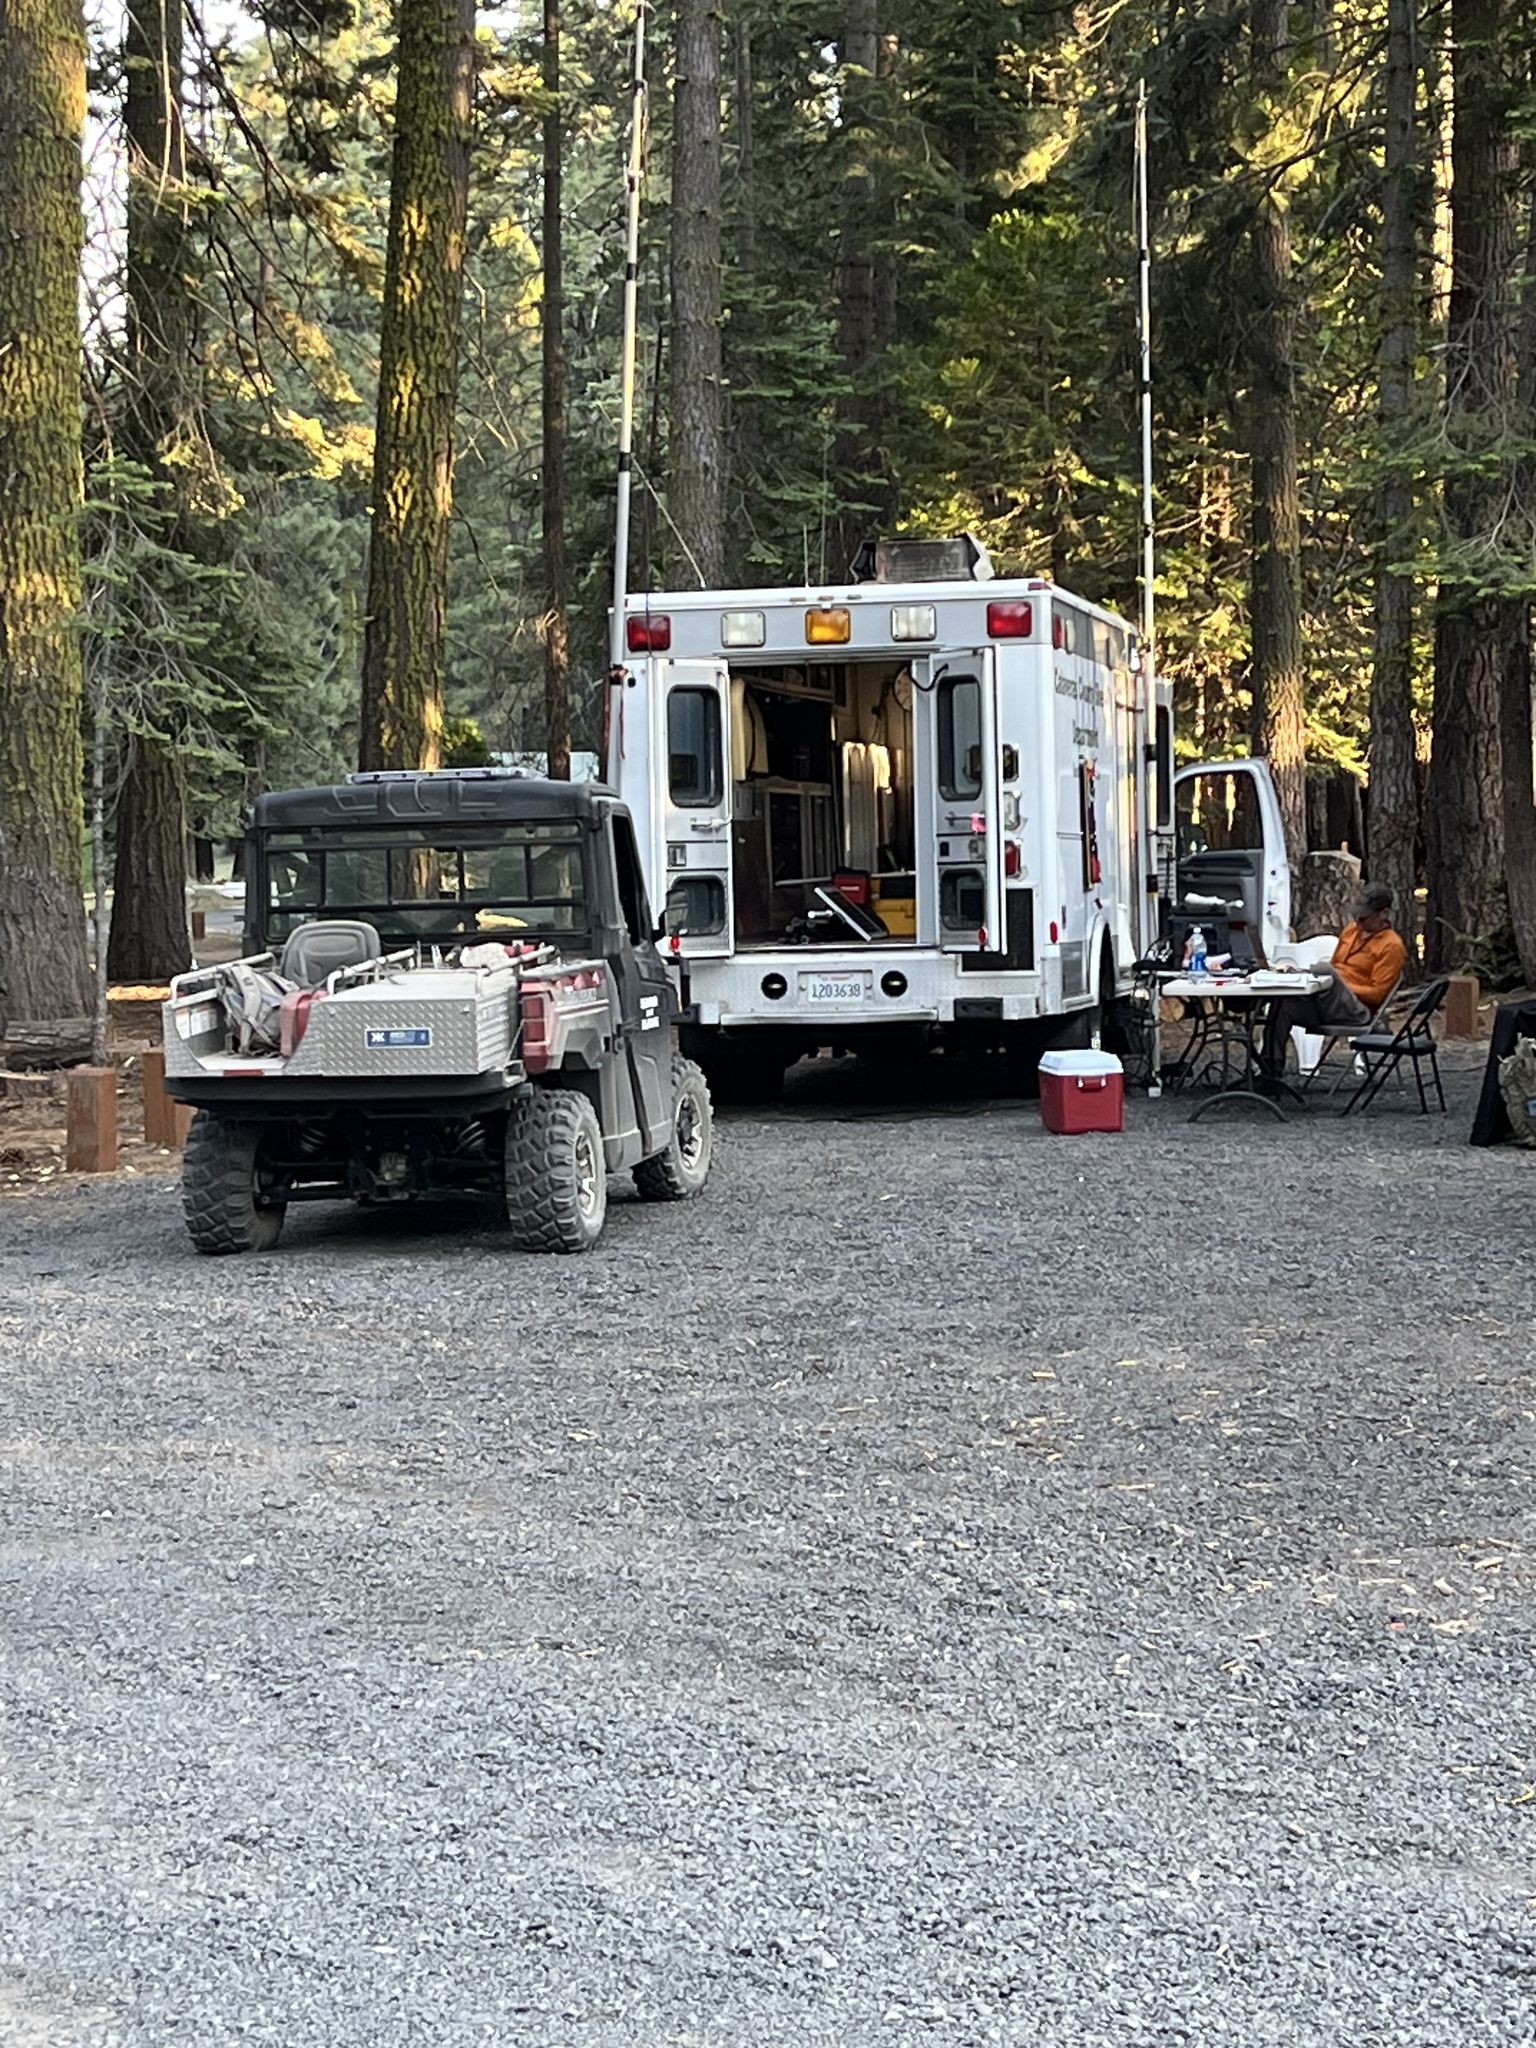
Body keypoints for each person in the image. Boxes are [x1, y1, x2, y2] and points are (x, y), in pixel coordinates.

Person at [1260, 883, 1408, 1079]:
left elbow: (1378, 994)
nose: (1359, 920)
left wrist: (1340, 984)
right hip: (1327, 1002)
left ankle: (1323, 984)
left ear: (1384, 914)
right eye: (1357, 914)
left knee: (1327, 972)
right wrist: (1304, 975)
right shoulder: (1351, 931)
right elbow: (1335, 966)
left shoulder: (1392, 946)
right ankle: (1270, 1073)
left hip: (1357, 1011)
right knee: (1282, 1004)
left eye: (1365, 916)